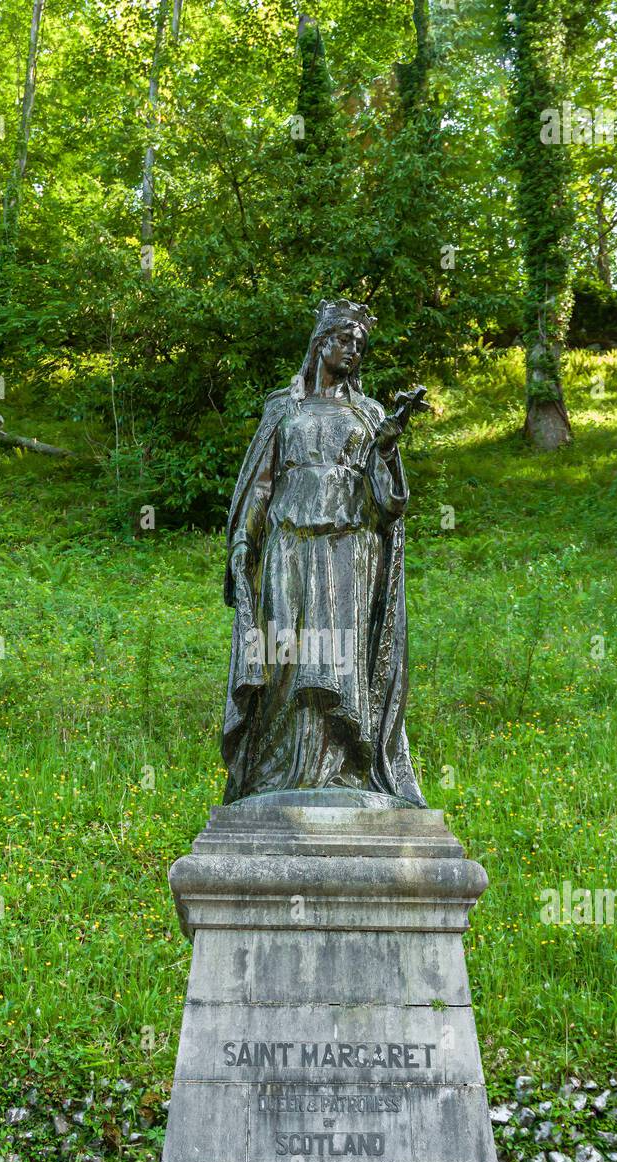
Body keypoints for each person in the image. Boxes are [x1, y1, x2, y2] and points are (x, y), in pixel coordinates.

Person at [221, 297, 428, 806]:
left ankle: (348, 772)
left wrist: (386, 447)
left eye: (360, 344)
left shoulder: (371, 414)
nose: (352, 350)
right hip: (288, 546)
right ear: (320, 342)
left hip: (349, 551)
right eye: (343, 339)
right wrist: (244, 543)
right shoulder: (282, 409)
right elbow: (260, 487)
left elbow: (391, 504)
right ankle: (275, 776)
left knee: (341, 660)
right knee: (284, 657)